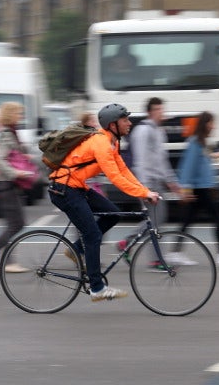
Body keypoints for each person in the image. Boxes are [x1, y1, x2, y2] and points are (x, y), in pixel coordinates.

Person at [48, 103, 159, 302]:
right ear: (112, 124)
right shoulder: (100, 143)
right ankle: (97, 288)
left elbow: (123, 171)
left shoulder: (112, 142)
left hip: (76, 186)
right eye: (125, 120)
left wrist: (145, 191)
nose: (129, 123)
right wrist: (143, 193)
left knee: (113, 213)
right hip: (63, 189)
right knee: (92, 235)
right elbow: (115, 177)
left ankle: (76, 249)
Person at [125, 97, 196, 265]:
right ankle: (156, 260)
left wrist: (172, 182)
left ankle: (127, 242)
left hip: (157, 181)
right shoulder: (142, 131)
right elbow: (139, 161)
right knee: (155, 222)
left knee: (157, 220)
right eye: (157, 110)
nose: (161, 113)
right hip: (147, 183)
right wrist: (143, 188)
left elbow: (162, 160)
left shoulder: (158, 131)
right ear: (150, 112)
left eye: (162, 109)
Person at [176, 111, 219, 266]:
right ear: (205, 124)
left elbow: (203, 160)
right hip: (199, 189)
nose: (213, 126)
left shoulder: (201, 142)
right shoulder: (195, 142)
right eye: (212, 123)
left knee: (188, 220)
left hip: (203, 187)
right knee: (217, 217)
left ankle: (176, 252)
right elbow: (188, 166)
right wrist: (185, 190)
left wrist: (215, 155)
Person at [0, 102, 33, 273]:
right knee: (17, 223)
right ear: (10, 114)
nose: (21, 116)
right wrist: (16, 173)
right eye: (18, 113)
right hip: (6, 183)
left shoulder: (12, 133)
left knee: (14, 223)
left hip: (10, 184)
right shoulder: (6, 134)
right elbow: (0, 161)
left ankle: (7, 261)